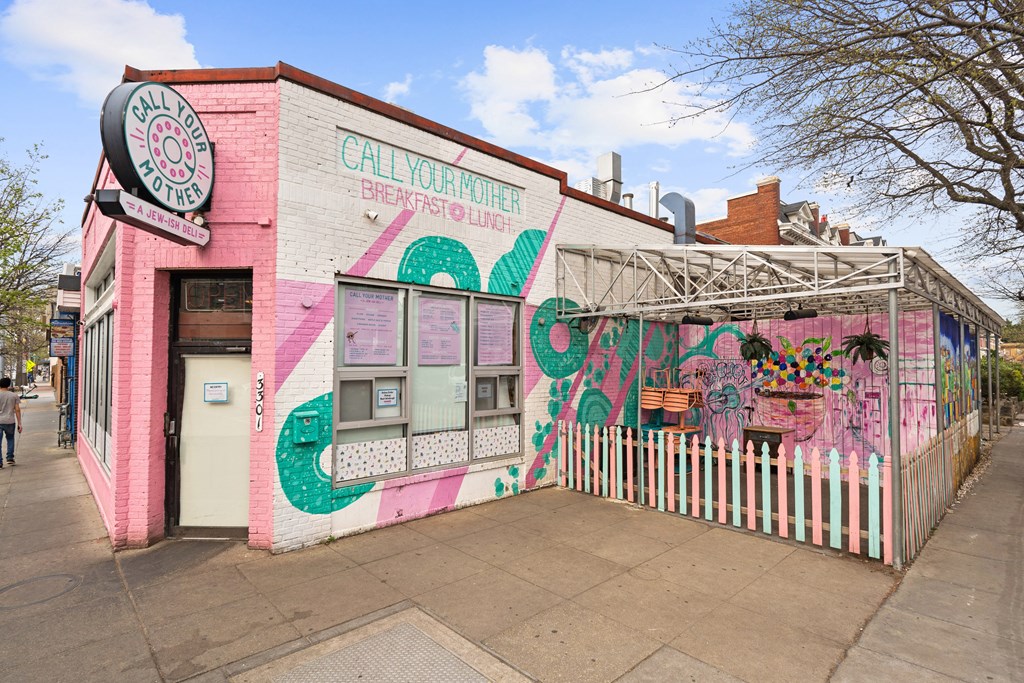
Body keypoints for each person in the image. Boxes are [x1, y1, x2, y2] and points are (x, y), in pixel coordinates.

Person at [0, 377, 22, 467]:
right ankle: (10, 458)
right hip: (10, 421)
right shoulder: (14, 396)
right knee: (10, 439)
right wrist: (19, 423)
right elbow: (17, 410)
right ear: (9, 385)